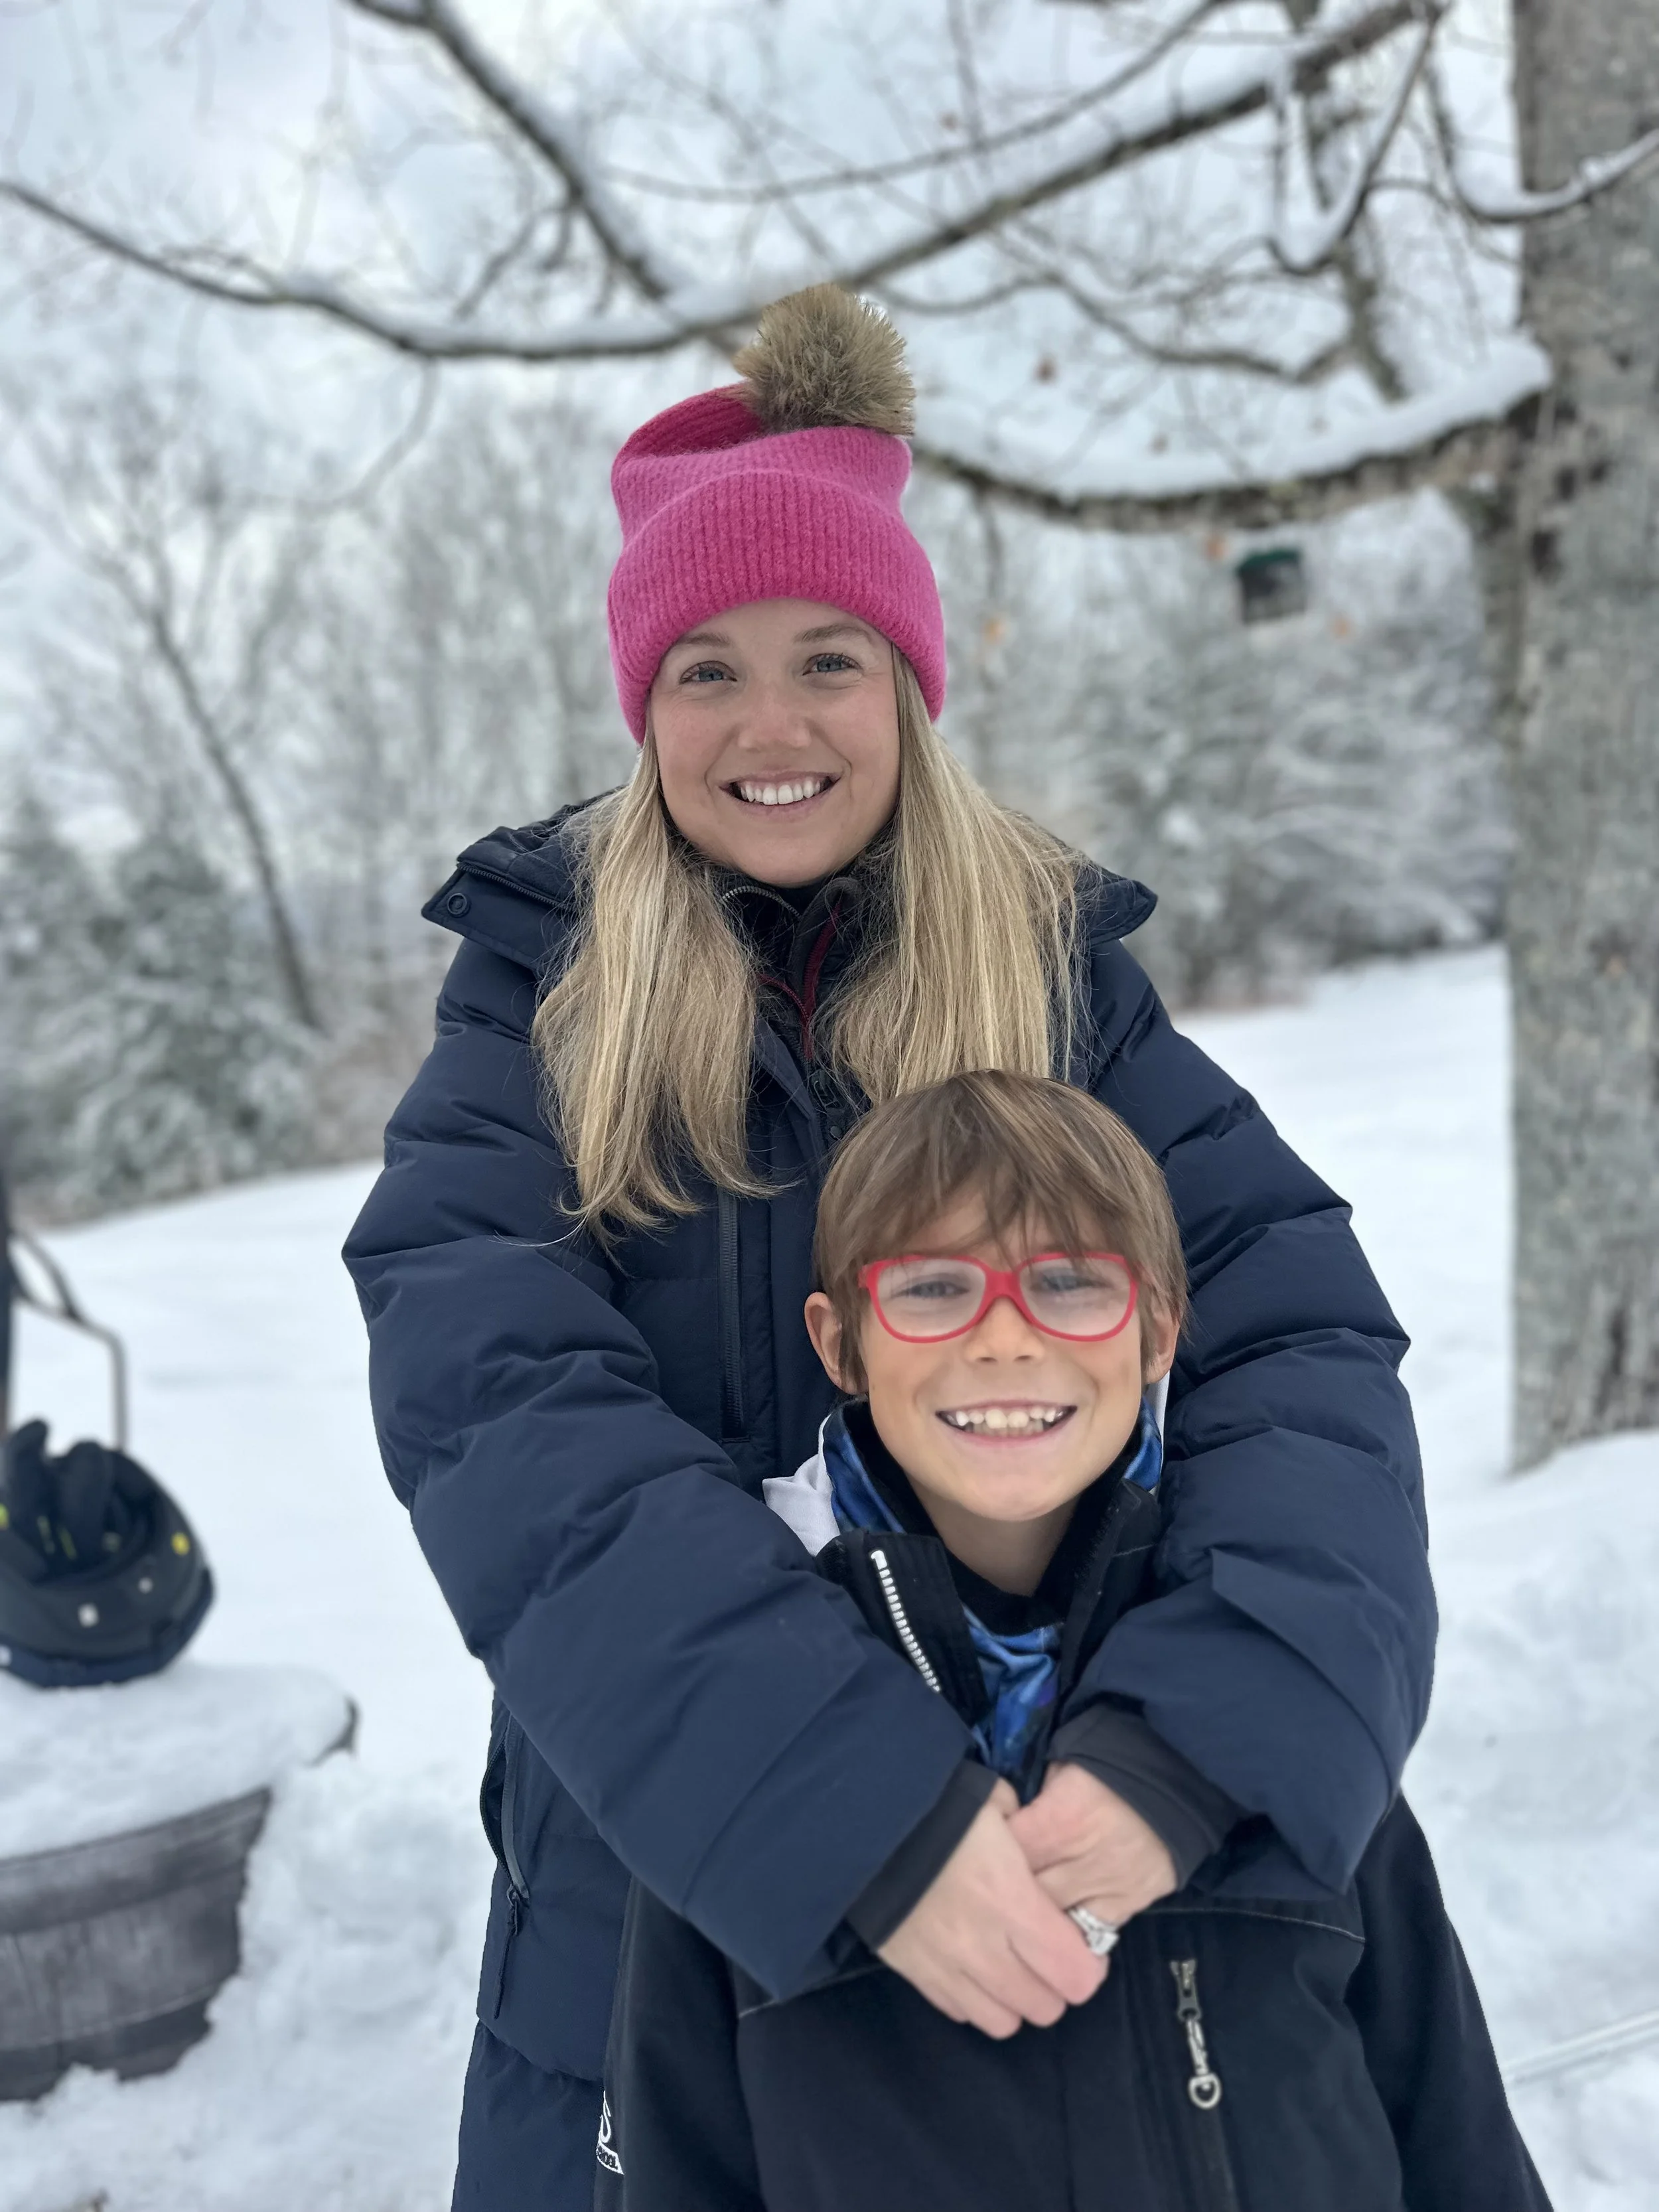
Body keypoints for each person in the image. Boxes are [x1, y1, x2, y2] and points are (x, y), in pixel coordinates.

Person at [344, 285, 1435, 2211]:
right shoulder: (541, 1002)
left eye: (827, 657)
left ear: (908, 687)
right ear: (642, 707)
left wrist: (1189, 1747)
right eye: (706, 669)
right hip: (680, 1887)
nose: (769, 725)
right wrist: (840, 1804)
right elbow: (507, 1418)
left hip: (1086, 1841)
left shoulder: (1057, 978)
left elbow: (1293, 1345)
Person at [595, 1070, 1549, 2212]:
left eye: (1069, 1282)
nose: (1005, 1340)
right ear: (840, 1342)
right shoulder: (751, 1745)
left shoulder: (1286, 1697)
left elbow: (1452, 2132)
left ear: (1158, 1331)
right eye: (933, 1288)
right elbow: (673, 2160)